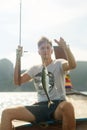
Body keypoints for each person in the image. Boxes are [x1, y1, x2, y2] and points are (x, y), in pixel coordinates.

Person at [0, 36, 76, 130]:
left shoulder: (59, 63)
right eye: (42, 48)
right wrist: (18, 57)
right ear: (38, 52)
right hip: (40, 106)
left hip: (57, 106)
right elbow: (17, 81)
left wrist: (66, 48)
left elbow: (72, 65)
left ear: (52, 51)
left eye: (48, 48)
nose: (45, 50)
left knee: (68, 106)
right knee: (6, 113)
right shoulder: (35, 69)